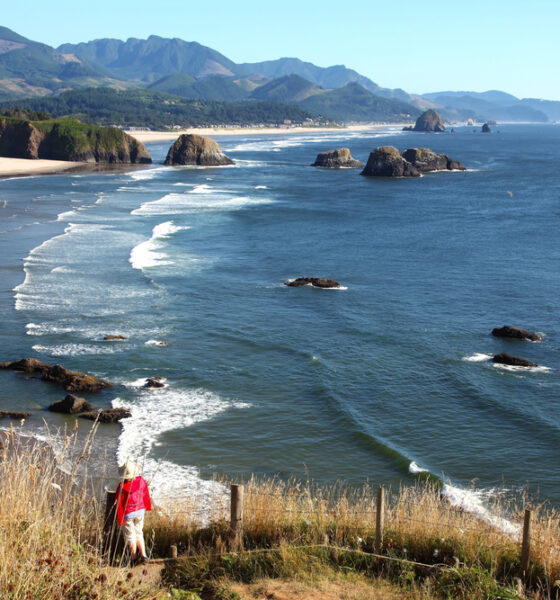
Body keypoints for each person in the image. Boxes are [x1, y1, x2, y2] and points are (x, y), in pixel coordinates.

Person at [115, 461, 152, 564]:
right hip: (140, 511)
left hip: (128, 514)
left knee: (130, 536)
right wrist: (147, 506)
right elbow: (146, 494)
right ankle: (144, 556)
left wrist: (120, 519)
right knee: (139, 533)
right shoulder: (141, 481)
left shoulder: (122, 486)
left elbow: (119, 503)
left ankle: (134, 558)